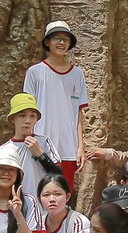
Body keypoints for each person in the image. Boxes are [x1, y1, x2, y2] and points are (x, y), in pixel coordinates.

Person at [23, 21, 91, 190]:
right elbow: (27, 109)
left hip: (68, 146)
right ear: (47, 41)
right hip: (41, 144)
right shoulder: (35, 72)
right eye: (57, 38)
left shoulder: (77, 74)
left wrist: (80, 146)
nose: (61, 43)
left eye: (66, 39)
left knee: (63, 193)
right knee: (39, 192)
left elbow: (79, 113)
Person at [3, 92, 61, 216]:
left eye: (32, 116)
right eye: (22, 115)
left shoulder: (44, 142)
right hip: (13, 210)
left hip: (42, 210)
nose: (27, 121)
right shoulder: (4, 150)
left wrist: (40, 154)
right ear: (13, 118)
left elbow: (58, 175)